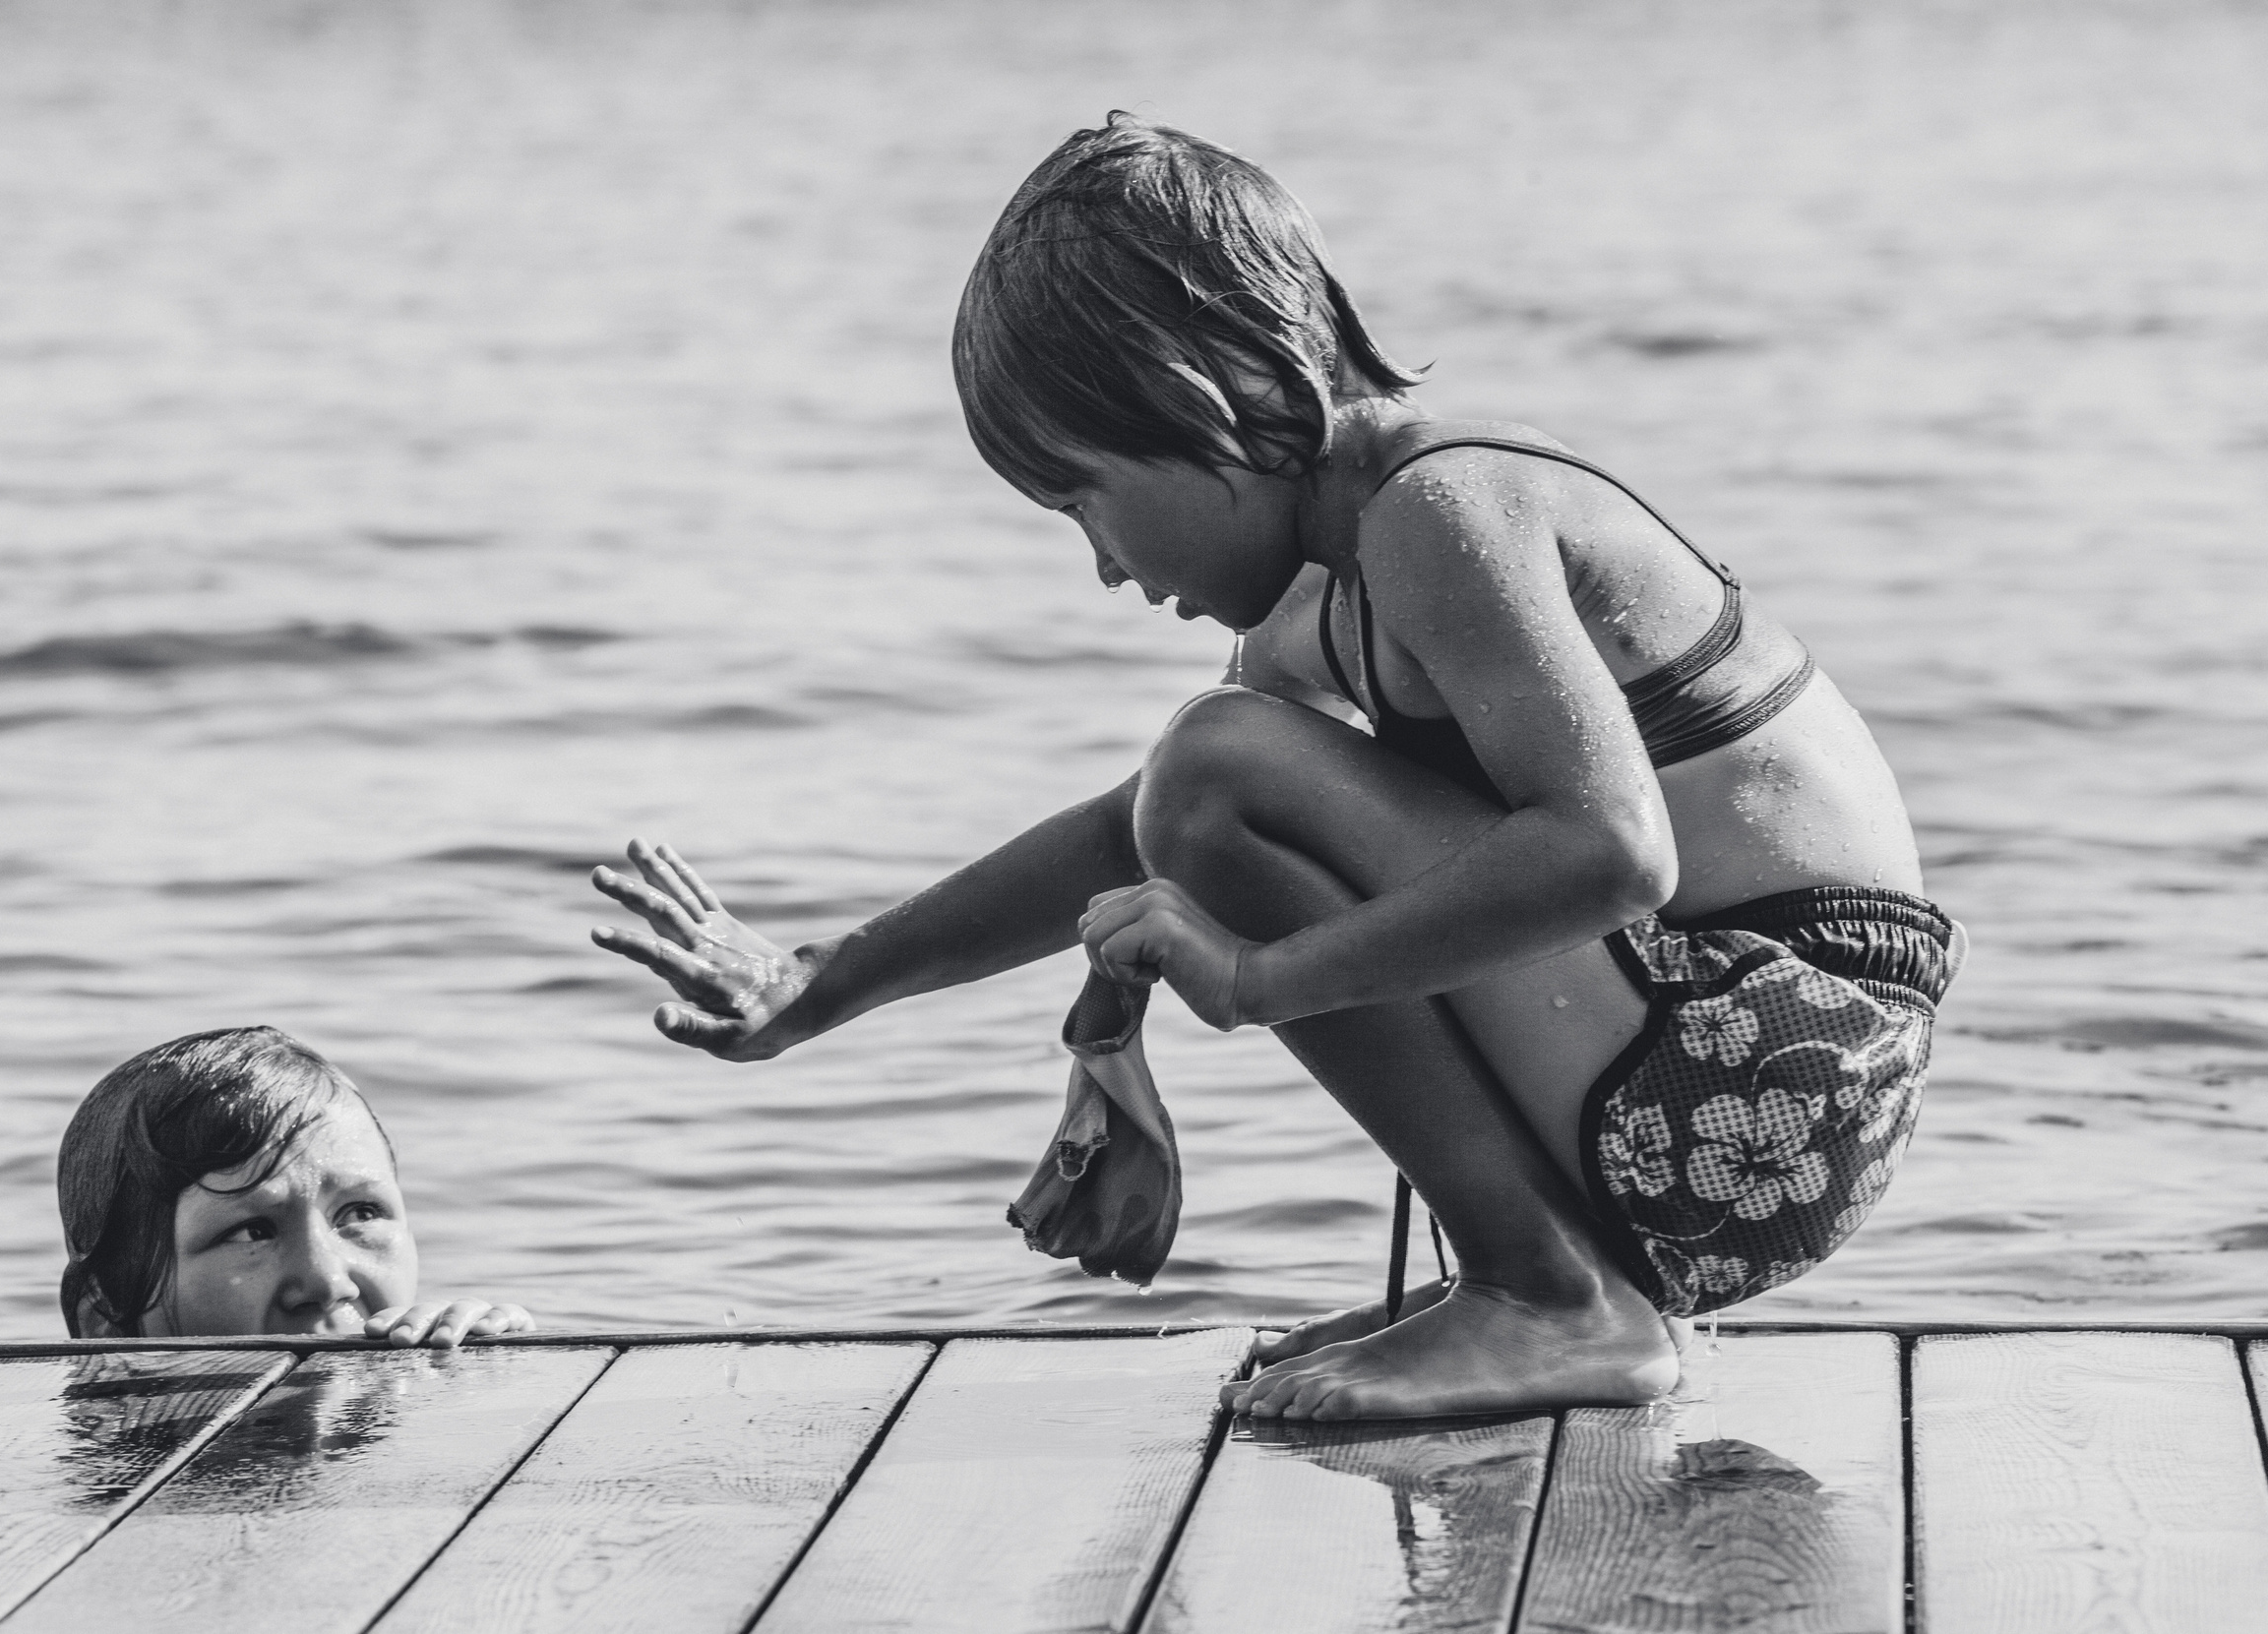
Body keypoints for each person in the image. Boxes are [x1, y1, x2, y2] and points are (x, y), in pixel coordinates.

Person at [589, 114, 1957, 1421]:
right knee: (1205, 778)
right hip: (1728, 1094)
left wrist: (1260, 983)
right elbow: (1148, 831)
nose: (1107, 568)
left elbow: (1610, 851)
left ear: (1214, 397)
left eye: (1085, 501)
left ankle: (1547, 1291)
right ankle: (1542, 1281)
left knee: (1214, 763)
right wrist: (828, 984)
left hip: (1782, 1070)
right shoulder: (1333, 585)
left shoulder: (1441, 508)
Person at [0, 1026, 534, 1360]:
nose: (326, 1280)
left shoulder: (449, 1383)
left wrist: (501, 1378)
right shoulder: (92, 1455)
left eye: (361, 1214)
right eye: (251, 1229)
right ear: (106, 1322)